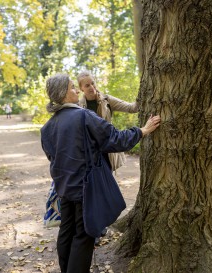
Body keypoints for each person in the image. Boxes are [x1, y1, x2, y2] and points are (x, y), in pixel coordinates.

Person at [40, 73, 160, 273]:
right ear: (62, 93)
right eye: (72, 87)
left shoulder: (47, 128)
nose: (76, 90)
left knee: (66, 232)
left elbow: (52, 158)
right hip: (85, 188)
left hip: (64, 188)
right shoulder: (83, 116)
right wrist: (142, 131)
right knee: (83, 235)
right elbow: (114, 139)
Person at [77, 71, 138, 171]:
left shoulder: (107, 100)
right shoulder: (78, 106)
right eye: (87, 85)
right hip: (89, 152)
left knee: (108, 180)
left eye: (92, 83)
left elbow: (132, 108)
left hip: (107, 149)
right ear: (81, 88)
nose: (92, 87)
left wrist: (143, 94)